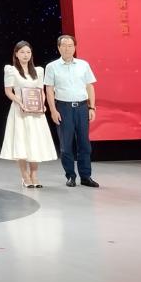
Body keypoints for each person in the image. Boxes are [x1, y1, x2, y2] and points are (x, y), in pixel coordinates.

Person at [44, 34, 99, 188]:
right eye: (64, 45)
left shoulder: (83, 65)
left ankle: (86, 176)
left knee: (84, 144)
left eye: (70, 45)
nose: (67, 48)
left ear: (75, 47)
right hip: (64, 108)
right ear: (58, 48)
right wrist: (53, 110)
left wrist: (91, 107)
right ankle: (70, 176)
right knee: (66, 145)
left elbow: (90, 86)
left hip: (82, 107)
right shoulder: (52, 67)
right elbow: (49, 90)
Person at [0, 41, 57, 188]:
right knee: (21, 142)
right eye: (22, 52)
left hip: (35, 112)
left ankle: (34, 175)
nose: (26, 55)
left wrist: (42, 104)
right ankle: (24, 175)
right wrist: (20, 102)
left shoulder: (38, 71)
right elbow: (8, 91)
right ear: (16, 54)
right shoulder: (11, 70)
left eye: (28, 52)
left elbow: (41, 91)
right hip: (20, 110)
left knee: (34, 141)